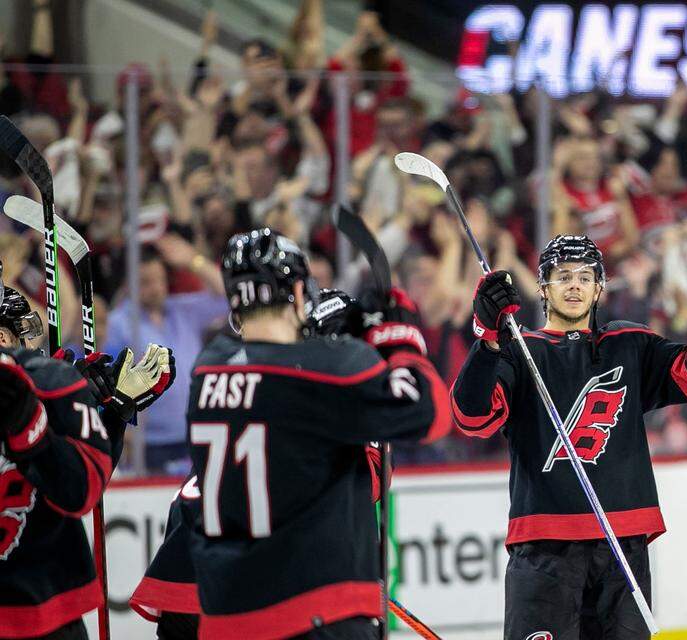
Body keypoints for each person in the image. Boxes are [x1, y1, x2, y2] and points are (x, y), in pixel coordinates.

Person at [450, 229, 687, 639]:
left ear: (599, 288)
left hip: (622, 548)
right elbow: (471, 418)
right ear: (543, 287)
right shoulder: (519, 352)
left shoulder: (628, 343)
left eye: (584, 276)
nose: (574, 284)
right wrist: (486, 339)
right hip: (544, 551)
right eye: (562, 275)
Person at [185, 230, 450, 639]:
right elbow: (429, 413)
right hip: (315, 610)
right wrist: (398, 338)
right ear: (296, 291)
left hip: (227, 614)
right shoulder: (324, 368)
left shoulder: (208, 368)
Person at [0, 279, 175, 639]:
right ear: (4, 339)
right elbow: (80, 491)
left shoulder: (42, 382)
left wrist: (109, 413)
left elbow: (83, 485)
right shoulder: (40, 385)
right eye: (24, 333)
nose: (33, 344)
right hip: (40, 601)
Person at [104, 243, 228, 474]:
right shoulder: (117, 324)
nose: (157, 288)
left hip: (192, 434)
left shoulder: (183, 310)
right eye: (146, 282)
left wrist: (194, 261)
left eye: (160, 279)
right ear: (128, 284)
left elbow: (229, 297)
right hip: (148, 446)